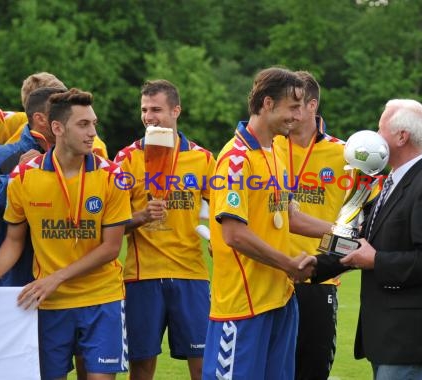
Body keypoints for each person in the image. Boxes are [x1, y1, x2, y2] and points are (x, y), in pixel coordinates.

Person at [0, 88, 131, 380]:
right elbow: (14, 240)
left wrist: (55, 277)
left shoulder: (112, 176)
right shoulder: (24, 176)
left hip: (101, 298)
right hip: (49, 304)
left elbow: (110, 248)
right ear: (57, 128)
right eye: (83, 124)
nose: (93, 132)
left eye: (94, 123)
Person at [310, 99, 422, 380]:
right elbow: (364, 243)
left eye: (381, 129)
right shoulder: (393, 180)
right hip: (390, 334)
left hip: (411, 336)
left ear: (402, 136)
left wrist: (376, 260)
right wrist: (314, 266)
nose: (375, 135)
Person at [202, 67, 332, 380]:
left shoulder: (274, 152)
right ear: (268, 103)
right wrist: (287, 263)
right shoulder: (235, 160)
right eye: (293, 107)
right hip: (243, 306)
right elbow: (233, 234)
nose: (300, 115)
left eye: (302, 107)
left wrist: (344, 233)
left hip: (280, 299)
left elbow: (289, 216)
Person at [113, 79, 216, 380]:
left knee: (202, 365)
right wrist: (141, 216)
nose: (148, 117)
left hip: (191, 274)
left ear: (176, 111)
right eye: (144, 109)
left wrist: (220, 241)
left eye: (156, 109)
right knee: (142, 368)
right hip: (142, 276)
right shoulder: (126, 159)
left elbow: (221, 212)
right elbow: (111, 225)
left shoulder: (202, 158)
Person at [273, 70, 349, 380]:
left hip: (318, 280)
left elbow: (356, 224)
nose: (288, 113)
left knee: (312, 371)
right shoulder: (269, 146)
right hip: (272, 275)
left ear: (312, 106)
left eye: (295, 105)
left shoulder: (344, 155)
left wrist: (331, 256)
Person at [0, 86, 66, 286]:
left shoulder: (81, 161)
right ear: (40, 119)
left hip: (64, 285)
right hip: (7, 284)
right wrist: (14, 178)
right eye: (63, 114)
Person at [6, 71, 109, 158]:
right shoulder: (9, 153)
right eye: (55, 106)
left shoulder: (94, 147)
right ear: (38, 116)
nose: (64, 109)